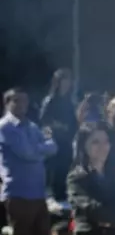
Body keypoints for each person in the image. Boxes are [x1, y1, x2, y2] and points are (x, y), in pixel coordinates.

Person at [0, 88, 57, 235]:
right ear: (7, 103)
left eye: (24, 101)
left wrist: (39, 149)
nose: (21, 105)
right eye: (16, 101)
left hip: (38, 194)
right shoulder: (5, 127)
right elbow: (27, 153)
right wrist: (41, 148)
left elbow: (53, 147)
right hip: (18, 193)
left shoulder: (31, 126)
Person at [39, 69, 77, 201]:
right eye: (63, 81)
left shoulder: (69, 101)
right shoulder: (50, 100)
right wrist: (57, 126)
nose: (66, 84)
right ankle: (53, 193)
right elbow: (44, 120)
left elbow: (73, 121)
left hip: (67, 140)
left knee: (66, 166)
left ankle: (63, 193)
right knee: (55, 167)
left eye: (68, 81)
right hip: (54, 140)